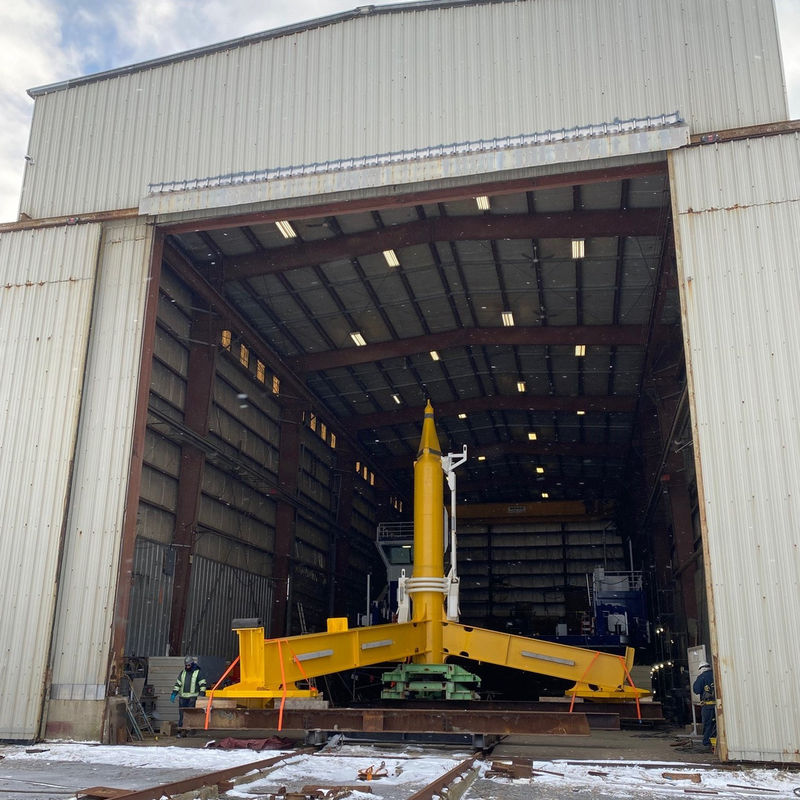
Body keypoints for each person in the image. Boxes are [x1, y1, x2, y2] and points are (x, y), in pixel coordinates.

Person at [170, 655, 208, 727]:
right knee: (182, 714)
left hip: (192, 698)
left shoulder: (198, 673)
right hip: (183, 698)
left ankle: (191, 729)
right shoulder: (183, 673)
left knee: (191, 715)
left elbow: (202, 684)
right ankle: (182, 729)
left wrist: (201, 695)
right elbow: (178, 684)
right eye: (186, 665)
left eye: (189, 665)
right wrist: (174, 694)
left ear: (192, 664)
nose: (187, 667)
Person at [692, 660, 716, 749]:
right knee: (717, 724)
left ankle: (707, 742)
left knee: (708, 724)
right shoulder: (716, 674)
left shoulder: (702, 677)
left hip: (708, 706)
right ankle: (716, 741)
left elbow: (696, 690)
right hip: (718, 706)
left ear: (701, 669)